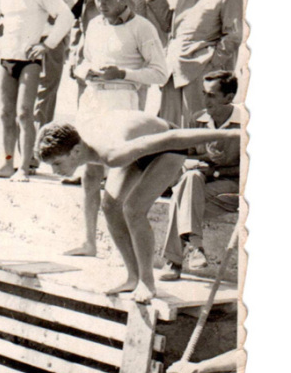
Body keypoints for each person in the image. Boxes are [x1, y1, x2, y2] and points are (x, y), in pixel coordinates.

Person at [35, 111, 240, 302]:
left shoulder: (112, 153)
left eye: (57, 164)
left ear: (76, 151)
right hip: (137, 144)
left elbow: (174, 137)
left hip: (167, 145)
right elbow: (90, 186)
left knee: (133, 210)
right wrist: (89, 243)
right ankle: (132, 277)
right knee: (110, 206)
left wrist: (229, 134)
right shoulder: (84, 146)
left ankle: (147, 283)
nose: (55, 171)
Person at [67, 0, 169, 256]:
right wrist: (87, 71)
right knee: (89, 173)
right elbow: (81, 62)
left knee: (119, 180)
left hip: (122, 104)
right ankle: (89, 242)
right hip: (92, 102)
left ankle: (127, 253)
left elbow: (160, 74)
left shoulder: (143, 27)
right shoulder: (94, 25)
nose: (101, 3)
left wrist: (122, 73)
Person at [0, 0, 74, 182]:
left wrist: (48, 44)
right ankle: (6, 164)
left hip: (30, 60)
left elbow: (67, 16)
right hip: (6, 57)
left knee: (25, 113)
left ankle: (24, 167)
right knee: (5, 113)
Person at [148, 0, 244, 127]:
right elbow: (170, 25)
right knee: (170, 133)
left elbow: (233, 37)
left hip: (200, 76)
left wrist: (210, 69)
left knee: (196, 135)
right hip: (172, 74)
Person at [159, 71, 242, 280]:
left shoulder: (244, 123)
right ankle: (196, 248)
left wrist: (216, 170)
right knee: (189, 180)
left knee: (182, 196)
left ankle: (174, 262)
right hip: (200, 186)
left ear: (229, 98)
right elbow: (183, 155)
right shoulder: (197, 119)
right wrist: (198, 161)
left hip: (231, 189)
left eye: (211, 95)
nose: (205, 100)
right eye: (204, 93)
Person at [25, 0, 75, 132]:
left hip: (52, 44)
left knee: (46, 94)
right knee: (26, 96)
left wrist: (64, 45)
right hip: (27, 44)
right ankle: (27, 149)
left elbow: (69, 19)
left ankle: (39, 145)